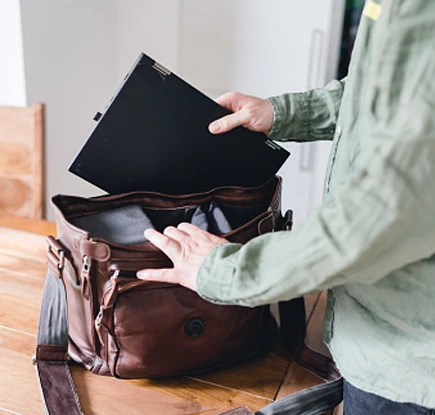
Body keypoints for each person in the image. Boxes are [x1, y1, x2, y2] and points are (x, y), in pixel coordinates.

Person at [137, 1, 435, 414]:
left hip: (410, 370)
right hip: (377, 335)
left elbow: (377, 220)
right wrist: (282, 113)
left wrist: (223, 273)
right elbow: (380, 95)